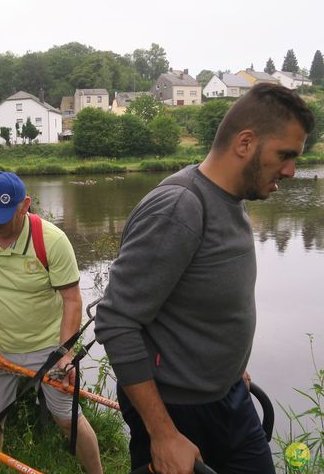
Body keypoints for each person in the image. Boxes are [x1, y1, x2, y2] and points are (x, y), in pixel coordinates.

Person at [94, 83, 315, 474]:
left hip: (229, 396)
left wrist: (227, 368)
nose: (291, 170)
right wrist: (162, 434)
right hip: (177, 414)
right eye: (285, 155)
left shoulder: (229, 200)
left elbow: (198, 304)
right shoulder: (180, 207)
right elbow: (118, 320)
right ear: (245, 143)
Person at [0, 171, 103, 474]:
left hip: (46, 347)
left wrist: (65, 353)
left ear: (25, 205)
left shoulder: (51, 240)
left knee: (67, 418)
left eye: (4, 217)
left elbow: (72, 299)